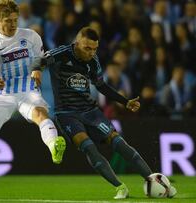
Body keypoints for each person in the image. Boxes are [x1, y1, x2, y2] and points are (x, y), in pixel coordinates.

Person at [32, 27, 176, 199]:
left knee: (120, 144)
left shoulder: (93, 62)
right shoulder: (61, 53)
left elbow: (101, 86)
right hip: (67, 114)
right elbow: (39, 60)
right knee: (89, 147)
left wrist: (125, 101)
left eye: (95, 49)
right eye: (87, 48)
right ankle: (120, 187)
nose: (91, 53)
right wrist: (37, 70)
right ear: (77, 44)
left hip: (91, 111)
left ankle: (155, 181)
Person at [0, 0, 66, 199]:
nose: (13, 24)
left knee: (40, 113)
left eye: (15, 20)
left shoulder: (31, 36)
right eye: (8, 20)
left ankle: (54, 145)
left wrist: (37, 70)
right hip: (5, 94)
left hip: (27, 89)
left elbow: (39, 60)